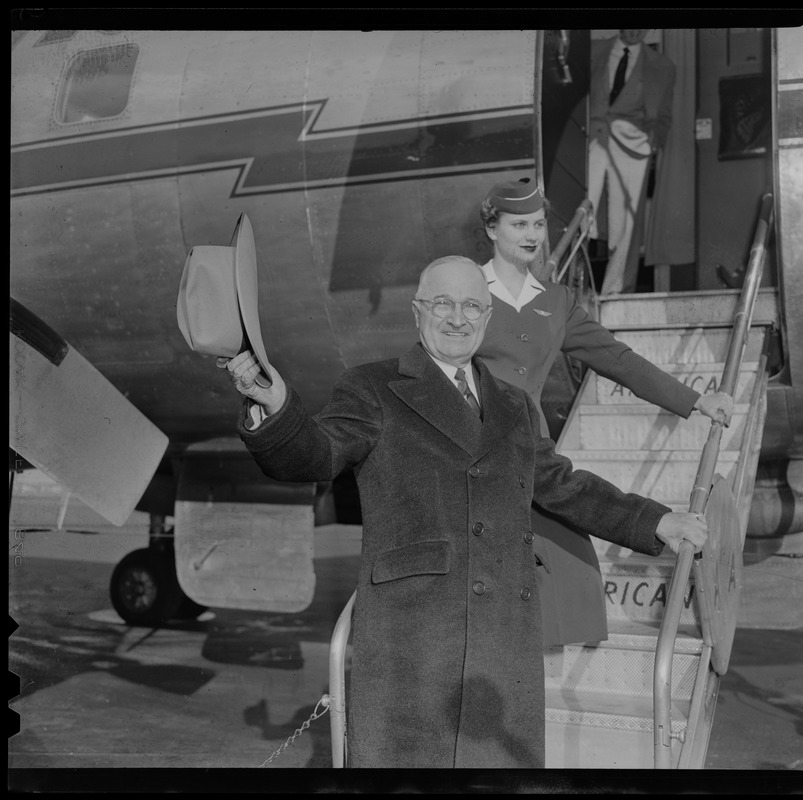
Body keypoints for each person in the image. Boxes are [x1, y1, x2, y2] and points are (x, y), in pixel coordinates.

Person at [221, 255, 707, 769]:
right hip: (415, 637)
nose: (458, 318)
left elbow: (560, 484)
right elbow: (315, 454)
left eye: (472, 305)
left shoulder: (514, 405)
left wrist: (654, 521)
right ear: (417, 312)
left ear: (487, 317)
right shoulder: (372, 389)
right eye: (443, 303)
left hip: (503, 641)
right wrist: (275, 407)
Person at [477, 177, 734, 647]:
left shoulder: (555, 301)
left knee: (568, 555)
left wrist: (695, 400)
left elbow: (615, 359)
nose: (532, 235)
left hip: (530, 447)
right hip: (473, 437)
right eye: (519, 224)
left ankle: (528, 659)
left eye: (538, 224)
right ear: (493, 228)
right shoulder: (468, 288)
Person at [588, 29, 677, 294]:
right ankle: (564, 285)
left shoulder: (663, 66)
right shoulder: (592, 51)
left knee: (623, 225)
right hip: (589, 140)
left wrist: (652, 142)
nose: (636, 29)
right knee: (578, 212)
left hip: (633, 146)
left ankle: (614, 291)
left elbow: (663, 116)